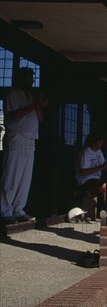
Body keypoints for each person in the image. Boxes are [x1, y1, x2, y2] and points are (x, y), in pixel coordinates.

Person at [1, 67, 48, 224]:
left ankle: (18, 209)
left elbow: (40, 118)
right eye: (30, 78)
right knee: (11, 176)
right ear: (22, 78)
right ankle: (5, 210)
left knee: (24, 178)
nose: (33, 81)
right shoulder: (13, 93)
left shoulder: (30, 96)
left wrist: (38, 104)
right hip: (17, 137)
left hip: (30, 138)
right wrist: (35, 105)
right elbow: (16, 115)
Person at [75, 132, 107, 220]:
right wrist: (99, 168)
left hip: (96, 179)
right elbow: (83, 172)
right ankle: (106, 210)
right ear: (94, 143)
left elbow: (104, 164)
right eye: (100, 142)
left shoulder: (99, 152)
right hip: (85, 180)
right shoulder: (86, 153)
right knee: (104, 187)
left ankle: (101, 210)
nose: (102, 144)